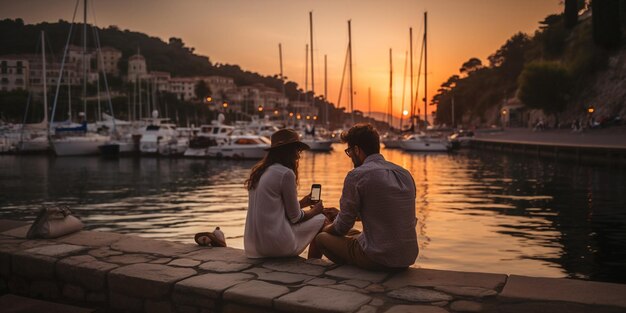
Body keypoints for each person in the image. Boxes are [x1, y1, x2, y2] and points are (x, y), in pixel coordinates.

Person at [315, 123, 418, 271]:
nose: (350, 156)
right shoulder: (404, 173)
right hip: (406, 258)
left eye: (349, 151)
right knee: (355, 234)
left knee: (321, 238)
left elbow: (341, 228)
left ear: (357, 150)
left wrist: (325, 227)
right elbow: (388, 213)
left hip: (377, 258)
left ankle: (352, 265)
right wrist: (340, 214)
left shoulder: (357, 175)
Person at [243, 128, 327, 259]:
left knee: (315, 217)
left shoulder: (260, 172)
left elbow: (276, 210)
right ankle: (313, 262)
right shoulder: (285, 173)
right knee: (323, 219)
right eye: (297, 150)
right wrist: (316, 211)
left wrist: (304, 202)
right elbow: (295, 218)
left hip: (255, 248)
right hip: (277, 246)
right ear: (288, 151)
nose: (299, 155)